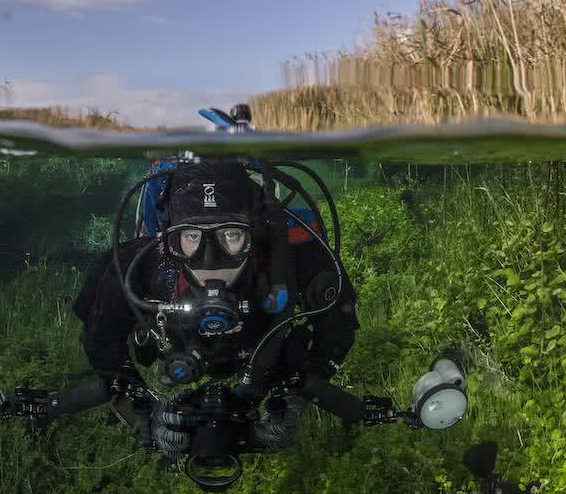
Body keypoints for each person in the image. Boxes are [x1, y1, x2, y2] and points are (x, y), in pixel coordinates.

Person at [70, 160, 357, 456]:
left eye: (231, 236)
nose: (211, 261)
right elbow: (101, 341)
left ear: (255, 234)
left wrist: (295, 400)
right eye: (192, 237)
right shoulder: (135, 265)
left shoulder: (296, 257)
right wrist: (144, 413)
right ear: (169, 242)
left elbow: (339, 326)